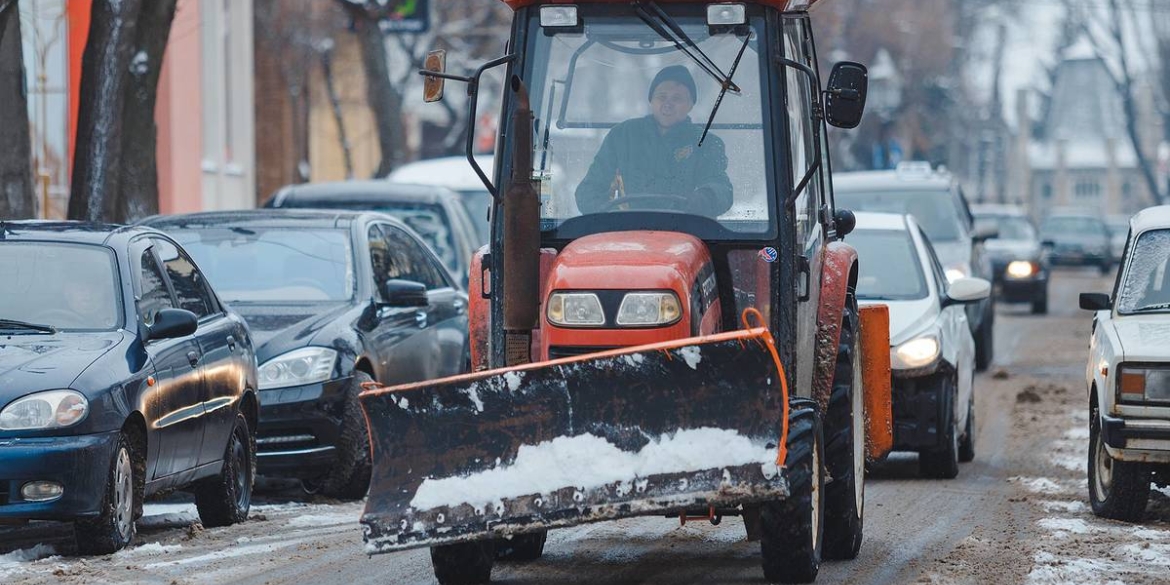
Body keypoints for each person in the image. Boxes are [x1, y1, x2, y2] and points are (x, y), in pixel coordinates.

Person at [574, 65, 734, 217]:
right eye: (661, 96)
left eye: (677, 98)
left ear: (690, 105)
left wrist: (706, 198)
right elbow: (589, 190)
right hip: (627, 233)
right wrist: (608, 216)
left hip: (686, 231)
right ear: (651, 100)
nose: (667, 104)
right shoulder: (622, 136)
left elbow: (721, 188)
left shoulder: (706, 143)